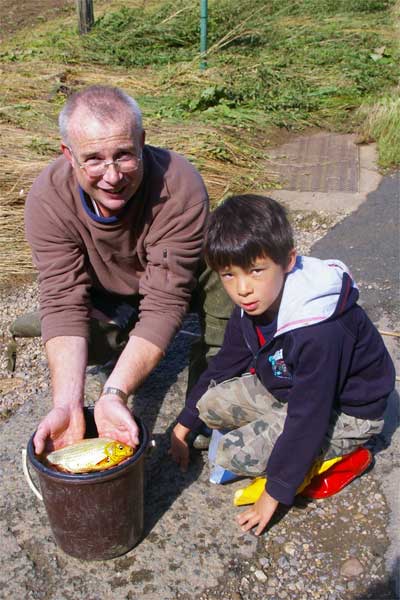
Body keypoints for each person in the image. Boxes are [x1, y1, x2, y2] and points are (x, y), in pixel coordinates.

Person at [22, 84, 232, 455]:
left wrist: (114, 393)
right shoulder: (47, 198)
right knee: (63, 327)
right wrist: (66, 404)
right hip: (106, 287)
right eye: (95, 159)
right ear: (68, 155)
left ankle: (209, 398)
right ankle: (115, 336)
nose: (113, 175)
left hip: (171, 279)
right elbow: (63, 300)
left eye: (123, 155)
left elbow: (166, 302)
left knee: (226, 270)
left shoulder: (179, 184)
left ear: (142, 142)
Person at [170, 194, 395, 535]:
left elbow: (310, 415)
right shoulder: (253, 304)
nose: (243, 289)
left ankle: (350, 458)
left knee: (231, 453)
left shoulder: (318, 330)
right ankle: (281, 441)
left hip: (346, 412)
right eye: (228, 275)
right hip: (293, 385)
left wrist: (275, 492)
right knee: (208, 405)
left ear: (288, 260)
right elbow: (223, 366)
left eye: (256, 270)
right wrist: (182, 425)